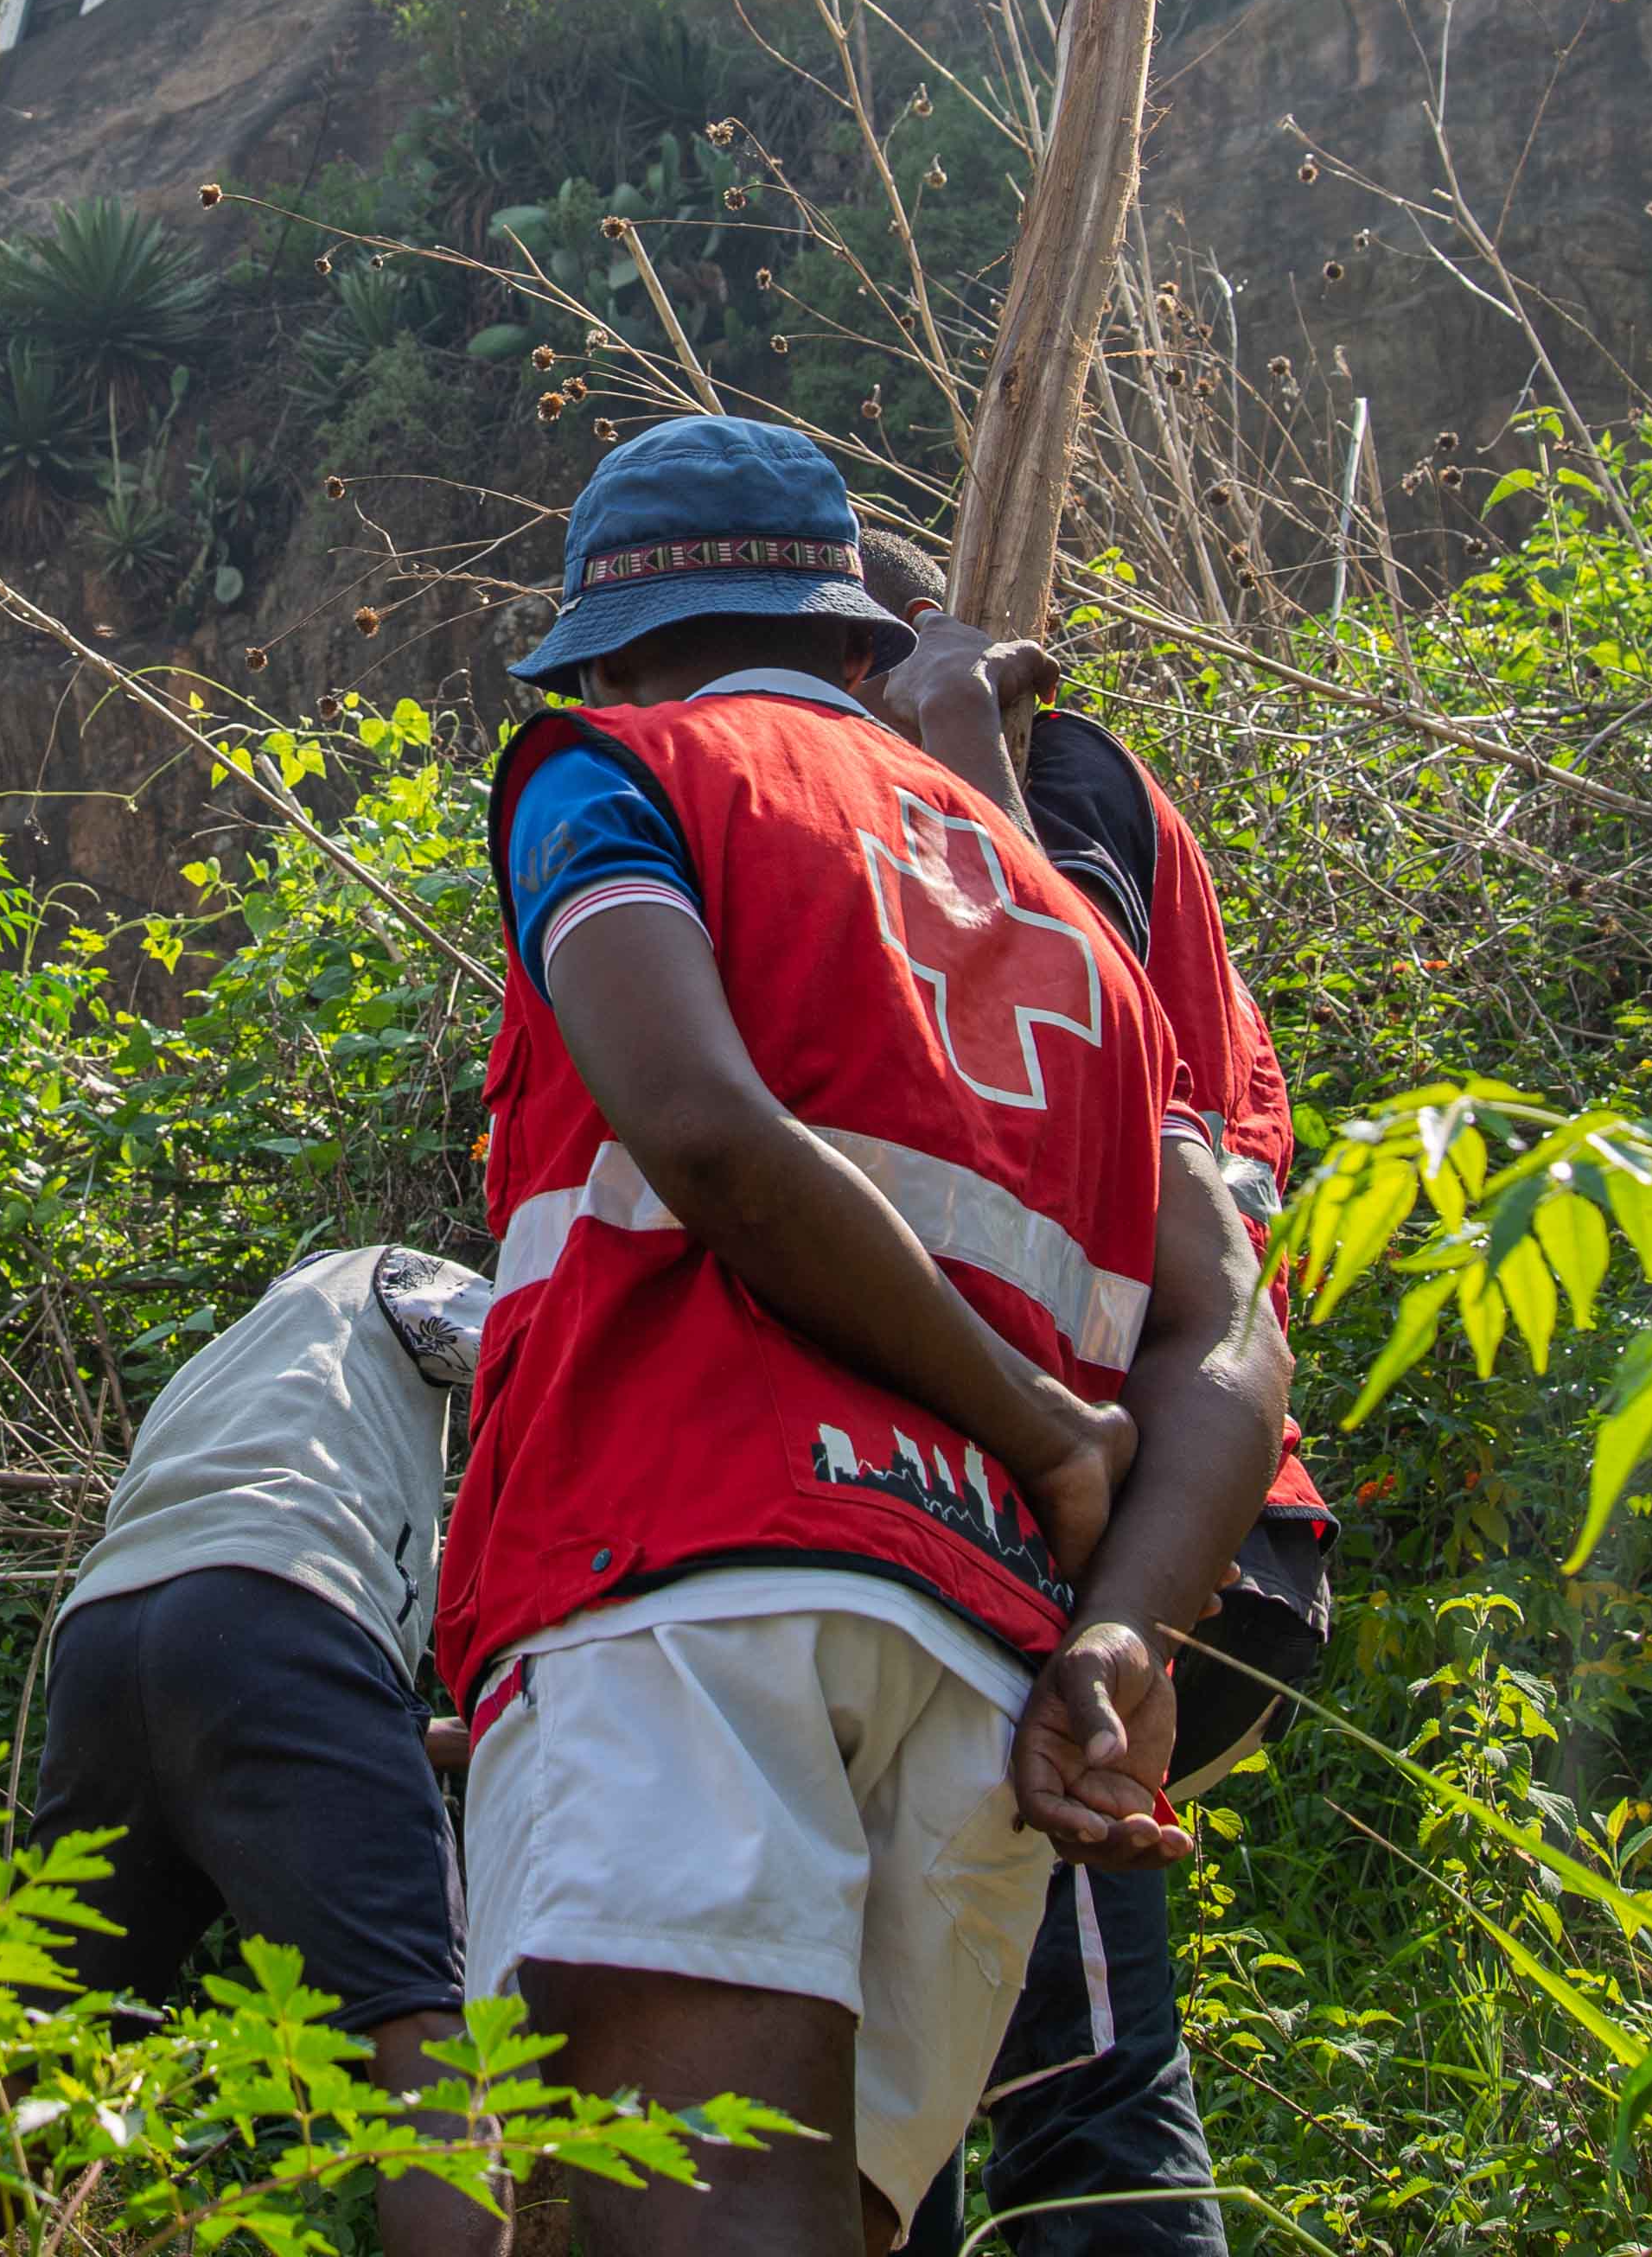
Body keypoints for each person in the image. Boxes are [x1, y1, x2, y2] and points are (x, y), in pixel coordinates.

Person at [441, 414, 1295, 2257]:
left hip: (685, 1583)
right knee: (824, 2218)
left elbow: (704, 1130)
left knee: (661, 2216)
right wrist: (1123, 1631)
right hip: (982, 1664)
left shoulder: (613, 771)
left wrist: (1049, 1432)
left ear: (597, 653)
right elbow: (1224, 1325)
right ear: (857, 642)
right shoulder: (1074, 925)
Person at [850, 539, 1338, 2257]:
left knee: (1073, 2082)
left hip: (1113, 1519)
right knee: (882, 2078)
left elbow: (1074, 1060)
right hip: (1072, 1501)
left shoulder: (1038, 779)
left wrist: (961, 763)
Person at [0, 1246, 506, 2257]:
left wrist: (443, 1736)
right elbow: (537, 1354)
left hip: (110, 1644)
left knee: (38, 2092)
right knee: (425, 2046)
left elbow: (237, 1710)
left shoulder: (228, 1361)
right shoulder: (392, 1274)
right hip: (286, 1607)